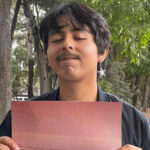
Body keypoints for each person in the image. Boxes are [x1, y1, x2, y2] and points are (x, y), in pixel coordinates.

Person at [0, 1, 150, 150]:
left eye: (78, 37)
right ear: (48, 56)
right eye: (57, 39)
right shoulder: (17, 121)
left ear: (102, 52)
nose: (67, 44)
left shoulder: (136, 124)